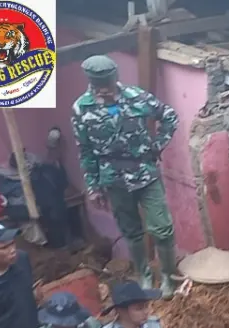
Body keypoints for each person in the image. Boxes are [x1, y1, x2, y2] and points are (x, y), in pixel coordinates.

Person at [72, 55, 180, 297]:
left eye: (108, 85)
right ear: (91, 83)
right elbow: (86, 151)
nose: (104, 91)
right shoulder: (82, 108)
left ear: (115, 79)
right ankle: (143, 274)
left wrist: (157, 145)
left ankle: (168, 278)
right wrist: (93, 187)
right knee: (131, 231)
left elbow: (170, 117)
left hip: (145, 174)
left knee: (162, 228)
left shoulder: (137, 97)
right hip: (114, 179)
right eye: (99, 87)